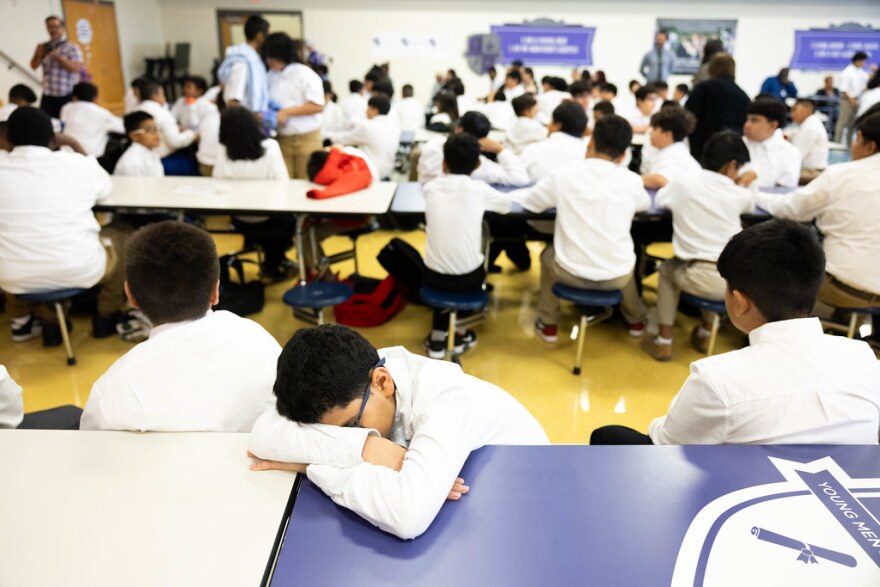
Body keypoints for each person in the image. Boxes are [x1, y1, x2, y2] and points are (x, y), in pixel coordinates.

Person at [247, 324, 549, 539]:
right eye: (331, 433)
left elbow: (407, 515)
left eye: (352, 426)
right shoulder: (354, 377)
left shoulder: (446, 401)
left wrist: (311, 465)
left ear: (383, 382)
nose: (349, 435)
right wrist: (366, 448)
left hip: (525, 509)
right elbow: (263, 433)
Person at [592, 219, 880, 445]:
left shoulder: (717, 380)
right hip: (838, 499)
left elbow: (667, 445)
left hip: (742, 501)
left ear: (739, 302)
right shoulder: (864, 357)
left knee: (609, 435)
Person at [81, 221, 280, 431]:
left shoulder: (112, 390)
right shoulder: (259, 340)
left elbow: (89, 449)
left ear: (131, 296)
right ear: (215, 291)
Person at [509, 115, 650, 342]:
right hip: (617, 277)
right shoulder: (632, 180)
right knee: (623, 260)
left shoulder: (564, 175)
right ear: (624, 155)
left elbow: (533, 203)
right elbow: (644, 204)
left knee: (547, 255)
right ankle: (636, 320)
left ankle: (548, 324)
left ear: (590, 142)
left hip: (569, 273)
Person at [0, 107, 129, 343]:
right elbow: (105, 187)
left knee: (15, 241)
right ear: (53, 138)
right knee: (122, 236)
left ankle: (37, 320)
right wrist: (73, 143)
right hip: (80, 269)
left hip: (11, 277)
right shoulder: (74, 163)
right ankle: (105, 316)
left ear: (8, 138)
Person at [641, 131, 754, 362]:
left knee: (667, 271)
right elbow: (750, 202)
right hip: (735, 283)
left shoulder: (683, 184)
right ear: (732, 165)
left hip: (698, 274)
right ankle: (704, 333)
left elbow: (662, 199)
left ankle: (664, 340)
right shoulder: (740, 194)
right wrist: (742, 183)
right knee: (712, 272)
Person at [756, 112, 880, 314]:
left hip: (844, 286)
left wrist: (756, 196)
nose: (854, 146)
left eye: (857, 139)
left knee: (779, 261)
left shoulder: (842, 174)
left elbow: (792, 209)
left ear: (870, 146)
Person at [422, 134, 512, 357]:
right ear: (477, 164)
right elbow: (506, 206)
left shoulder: (430, 188)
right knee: (468, 261)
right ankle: (459, 331)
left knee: (441, 259)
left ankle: (437, 337)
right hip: (468, 278)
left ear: (444, 163)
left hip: (431, 275)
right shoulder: (479, 190)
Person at [213, 107, 294, 280]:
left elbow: (217, 183)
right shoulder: (271, 148)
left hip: (240, 219)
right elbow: (283, 185)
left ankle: (267, 253)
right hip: (271, 219)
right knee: (289, 221)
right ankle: (274, 263)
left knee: (271, 227)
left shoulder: (224, 153)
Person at [262, 32, 325, 179]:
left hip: (307, 138)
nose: (268, 60)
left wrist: (286, 112)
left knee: (307, 181)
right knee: (283, 182)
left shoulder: (305, 74)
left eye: (270, 56)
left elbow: (317, 106)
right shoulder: (269, 77)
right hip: (282, 138)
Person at [417, 111, 529, 186]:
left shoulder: (433, 145)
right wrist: (500, 150)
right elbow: (520, 178)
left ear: (458, 129)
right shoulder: (477, 165)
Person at [686, 53, 751, 160]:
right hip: (731, 153)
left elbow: (687, 117)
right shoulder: (743, 95)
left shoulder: (703, 89)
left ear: (711, 68)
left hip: (701, 148)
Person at [327, 94, 399, 179]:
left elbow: (344, 139)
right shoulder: (394, 127)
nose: (366, 112)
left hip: (371, 171)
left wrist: (326, 135)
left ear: (374, 110)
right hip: (388, 170)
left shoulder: (367, 126)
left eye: (368, 108)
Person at [519, 100, 588, 182]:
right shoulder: (586, 154)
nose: (548, 125)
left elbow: (516, 176)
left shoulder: (532, 150)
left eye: (551, 121)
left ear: (557, 126)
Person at [738, 99, 801, 189]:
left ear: (773, 125)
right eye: (747, 119)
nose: (747, 125)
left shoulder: (790, 153)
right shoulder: (736, 144)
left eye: (754, 120)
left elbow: (783, 193)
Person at [29, 15, 83, 118]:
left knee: (65, 124)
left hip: (66, 94)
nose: (52, 30)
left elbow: (77, 69)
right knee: (45, 124)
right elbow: (33, 66)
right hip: (47, 94)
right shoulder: (43, 46)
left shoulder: (71, 47)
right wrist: (39, 54)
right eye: (49, 27)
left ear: (63, 28)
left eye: (56, 27)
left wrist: (58, 57)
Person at [218, 15, 270, 113]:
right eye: (267, 34)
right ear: (260, 36)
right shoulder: (242, 61)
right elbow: (233, 100)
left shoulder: (254, 58)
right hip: (244, 119)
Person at [58, 82, 124, 158]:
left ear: (74, 97)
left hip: (65, 156)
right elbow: (122, 128)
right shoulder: (101, 113)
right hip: (90, 159)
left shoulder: (66, 108)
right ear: (95, 99)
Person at [641, 106, 700, 189]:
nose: (650, 132)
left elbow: (661, 180)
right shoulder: (674, 151)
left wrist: (633, 179)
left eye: (654, 129)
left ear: (667, 134)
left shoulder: (675, 156)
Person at [137, 80, 197, 160]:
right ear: (155, 96)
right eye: (163, 94)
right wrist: (192, 134)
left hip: (143, 157)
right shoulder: (162, 114)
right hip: (163, 158)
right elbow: (176, 142)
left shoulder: (136, 110)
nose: (165, 98)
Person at [787, 98, 829, 183]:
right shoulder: (808, 123)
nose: (792, 114)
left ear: (808, 109)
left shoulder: (810, 127)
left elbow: (797, 155)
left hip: (812, 172)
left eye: (795, 110)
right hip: (811, 170)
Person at [834, 51, 870, 144]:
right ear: (858, 60)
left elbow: (866, 84)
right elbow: (843, 88)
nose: (864, 63)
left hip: (857, 100)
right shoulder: (848, 71)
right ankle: (837, 142)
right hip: (847, 100)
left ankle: (849, 143)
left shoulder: (861, 72)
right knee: (842, 122)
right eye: (863, 61)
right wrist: (851, 100)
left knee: (853, 123)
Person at [114, 112, 163, 177]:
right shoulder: (133, 162)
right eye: (149, 130)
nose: (156, 134)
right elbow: (136, 187)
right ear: (135, 136)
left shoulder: (150, 152)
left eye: (155, 129)